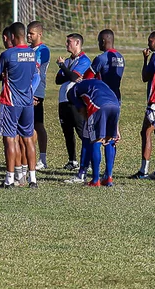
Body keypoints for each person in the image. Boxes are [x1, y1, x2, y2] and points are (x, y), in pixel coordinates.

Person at [0, 22, 38, 189]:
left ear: (12, 36)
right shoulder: (32, 54)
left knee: (10, 140)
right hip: (27, 101)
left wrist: (4, 73)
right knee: (28, 139)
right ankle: (32, 179)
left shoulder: (8, 54)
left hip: (11, 102)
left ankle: (9, 179)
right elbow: (34, 74)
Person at [55, 33, 93, 181]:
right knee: (67, 132)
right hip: (63, 100)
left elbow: (72, 77)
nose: (66, 45)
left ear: (77, 43)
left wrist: (63, 67)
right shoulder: (69, 61)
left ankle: (88, 161)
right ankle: (72, 160)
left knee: (81, 131)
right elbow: (59, 79)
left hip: (75, 100)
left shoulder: (84, 60)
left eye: (69, 42)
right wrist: (66, 69)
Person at [68, 78, 120, 186]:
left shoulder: (72, 92)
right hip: (115, 105)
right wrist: (116, 129)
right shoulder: (98, 83)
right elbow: (110, 102)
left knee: (95, 140)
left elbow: (82, 109)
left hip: (98, 106)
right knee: (110, 139)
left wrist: (89, 122)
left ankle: (96, 180)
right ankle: (108, 177)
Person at [131, 31, 155, 180]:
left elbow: (145, 77)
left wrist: (145, 60)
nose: (148, 44)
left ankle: (143, 170)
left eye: (150, 41)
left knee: (146, 132)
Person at [27, 21, 50, 170]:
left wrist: (33, 93)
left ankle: (41, 158)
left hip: (36, 92)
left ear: (39, 34)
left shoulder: (43, 50)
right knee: (29, 125)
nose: (28, 36)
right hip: (26, 91)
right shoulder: (28, 49)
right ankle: (29, 156)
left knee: (37, 125)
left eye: (31, 33)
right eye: (27, 33)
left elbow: (36, 70)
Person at [90, 29, 125, 99]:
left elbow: (88, 77)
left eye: (99, 41)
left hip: (102, 97)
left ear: (103, 41)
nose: (98, 43)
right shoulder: (121, 57)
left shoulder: (101, 58)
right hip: (116, 97)